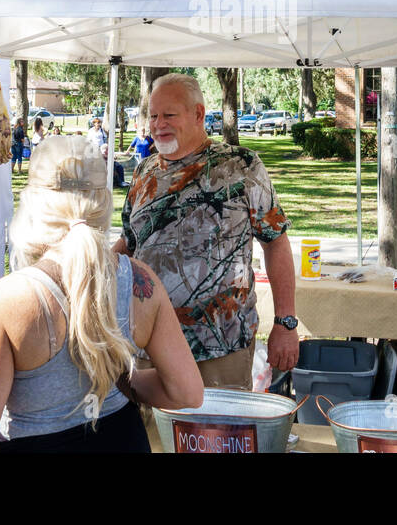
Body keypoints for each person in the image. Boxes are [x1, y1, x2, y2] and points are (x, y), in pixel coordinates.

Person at [0, 137, 202, 453]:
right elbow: (186, 392)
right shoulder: (139, 279)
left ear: (34, 204)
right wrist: (123, 377)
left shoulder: (9, 299)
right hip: (123, 437)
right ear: (102, 202)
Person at [116, 73, 299, 388]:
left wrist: (285, 323)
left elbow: (276, 242)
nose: (158, 123)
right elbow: (129, 245)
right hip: (148, 342)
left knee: (217, 435)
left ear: (198, 114)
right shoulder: (144, 172)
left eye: (169, 115)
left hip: (220, 348)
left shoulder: (241, 166)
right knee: (152, 437)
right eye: (153, 115)